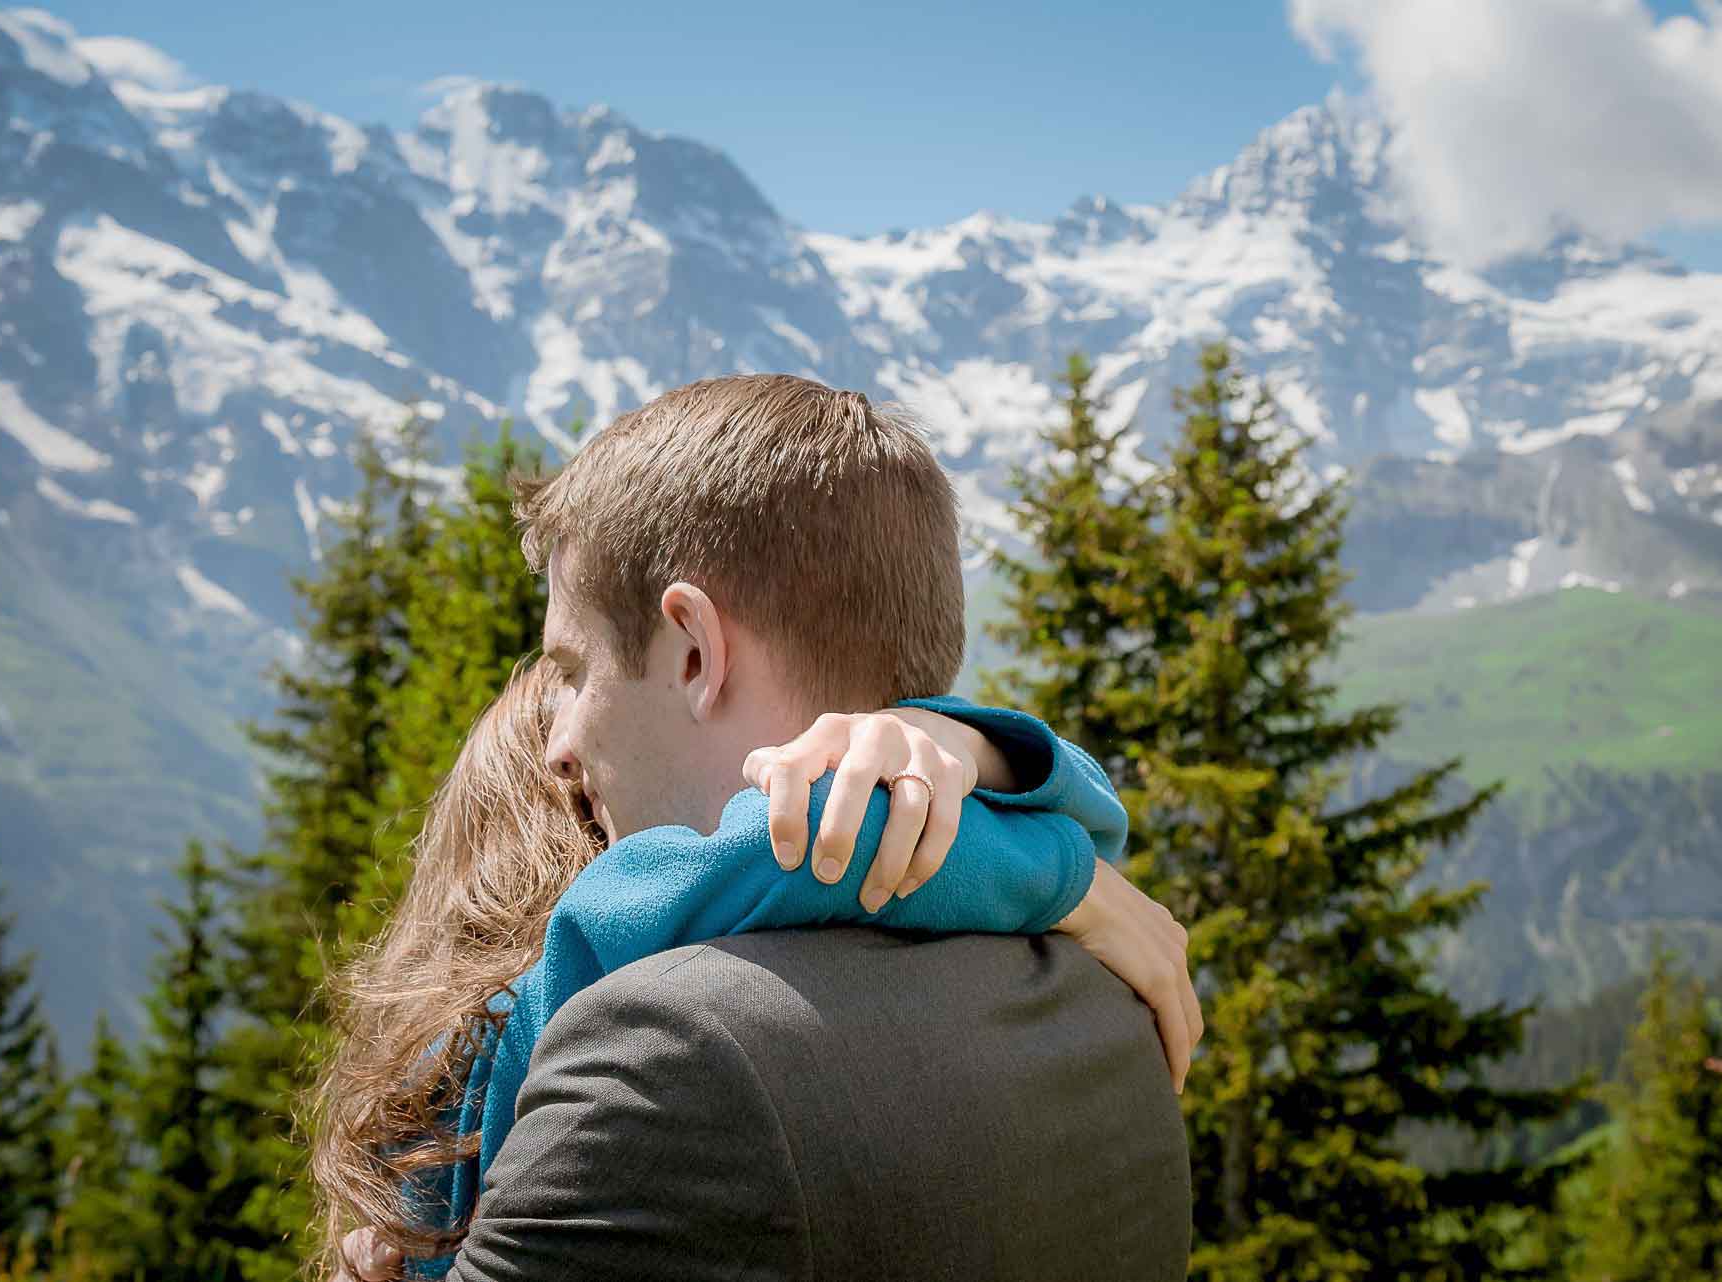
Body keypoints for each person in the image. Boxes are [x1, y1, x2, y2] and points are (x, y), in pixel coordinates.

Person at [335, 374, 1195, 1280]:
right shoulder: (1103, 1002)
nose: (558, 743)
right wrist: (1047, 847)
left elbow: (753, 864)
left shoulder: (663, 1053)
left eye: (575, 671)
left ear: (696, 651)